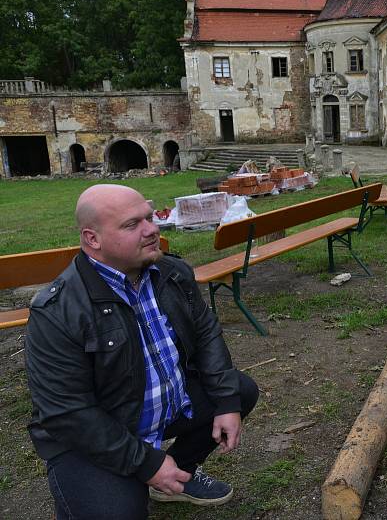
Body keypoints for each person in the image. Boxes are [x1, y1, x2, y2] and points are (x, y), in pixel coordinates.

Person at [25, 184, 259, 519]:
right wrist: (146, 462)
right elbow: (66, 412)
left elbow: (206, 334)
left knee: (240, 391)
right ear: (93, 239)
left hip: (158, 409)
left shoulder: (171, 273)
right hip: (95, 435)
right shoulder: (57, 310)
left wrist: (225, 401)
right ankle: (123, 483)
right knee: (119, 512)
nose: (152, 230)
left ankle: (180, 471)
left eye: (149, 217)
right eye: (132, 225)